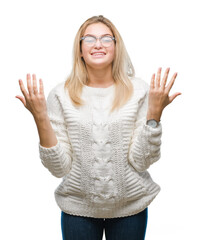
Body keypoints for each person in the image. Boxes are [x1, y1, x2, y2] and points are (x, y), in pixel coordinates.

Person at [16, 15, 181, 240]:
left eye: (106, 38)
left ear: (116, 46)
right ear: (80, 50)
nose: (98, 44)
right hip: (78, 209)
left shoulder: (140, 91)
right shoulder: (60, 95)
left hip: (130, 208)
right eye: (90, 39)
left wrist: (154, 114)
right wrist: (40, 117)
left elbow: (142, 161)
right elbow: (59, 168)